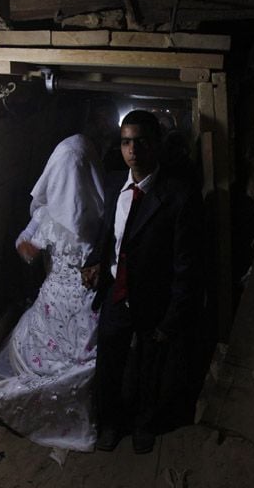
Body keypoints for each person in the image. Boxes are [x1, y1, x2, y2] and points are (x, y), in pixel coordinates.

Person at [0, 97, 120, 458]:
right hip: (67, 294)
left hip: (74, 293)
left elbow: (30, 245)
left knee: (81, 347)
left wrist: (44, 250)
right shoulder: (89, 189)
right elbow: (32, 245)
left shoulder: (78, 188)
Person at [81, 109, 204, 455]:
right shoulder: (113, 185)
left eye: (140, 142)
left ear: (157, 145)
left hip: (154, 298)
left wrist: (174, 315)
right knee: (110, 364)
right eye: (125, 142)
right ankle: (110, 424)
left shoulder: (178, 195)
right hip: (116, 294)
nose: (132, 150)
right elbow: (108, 237)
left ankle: (144, 425)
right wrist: (94, 262)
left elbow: (185, 263)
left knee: (150, 366)